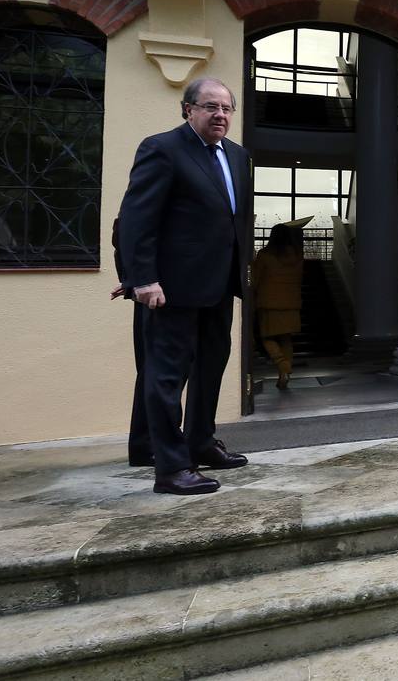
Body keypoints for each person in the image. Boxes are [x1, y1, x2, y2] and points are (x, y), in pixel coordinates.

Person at [118, 77, 252, 495]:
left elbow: (235, 222)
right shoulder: (162, 149)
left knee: (211, 367)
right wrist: (140, 279)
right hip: (170, 288)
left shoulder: (237, 155)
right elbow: (137, 219)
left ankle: (200, 441)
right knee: (166, 376)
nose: (220, 115)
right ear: (188, 110)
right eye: (210, 106)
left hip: (219, 285)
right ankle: (172, 467)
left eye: (227, 108)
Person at [110, 217, 153, 468]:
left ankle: (150, 444)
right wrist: (134, 280)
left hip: (175, 292)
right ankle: (145, 446)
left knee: (161, 373)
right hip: (157, 295)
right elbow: (125, 229)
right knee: (154, 372)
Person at [250, 221, 306, 390]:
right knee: (286, 338)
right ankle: (285, 372)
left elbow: (254, 278)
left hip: (269, 303)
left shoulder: (265, 255)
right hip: (291, 302)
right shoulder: (297, 256)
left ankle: (283, 365)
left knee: (266, 337)